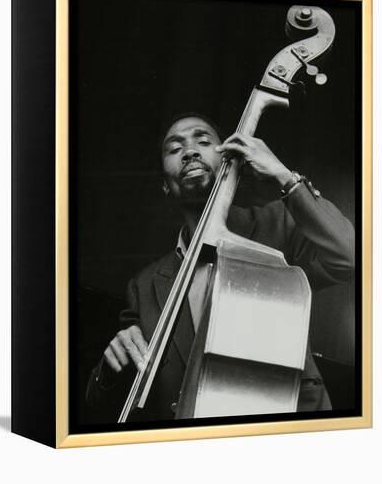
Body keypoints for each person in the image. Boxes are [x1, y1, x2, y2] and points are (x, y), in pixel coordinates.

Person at [86, 113, 355, 423]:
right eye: (174, 149)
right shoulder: (144, 285)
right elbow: (104, 405)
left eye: (203, 141)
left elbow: (350, 257)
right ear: (164, 185)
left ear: (231, 160)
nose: (189, 151)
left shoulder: (277, 225)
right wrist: (108, 369)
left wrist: (284, 176)